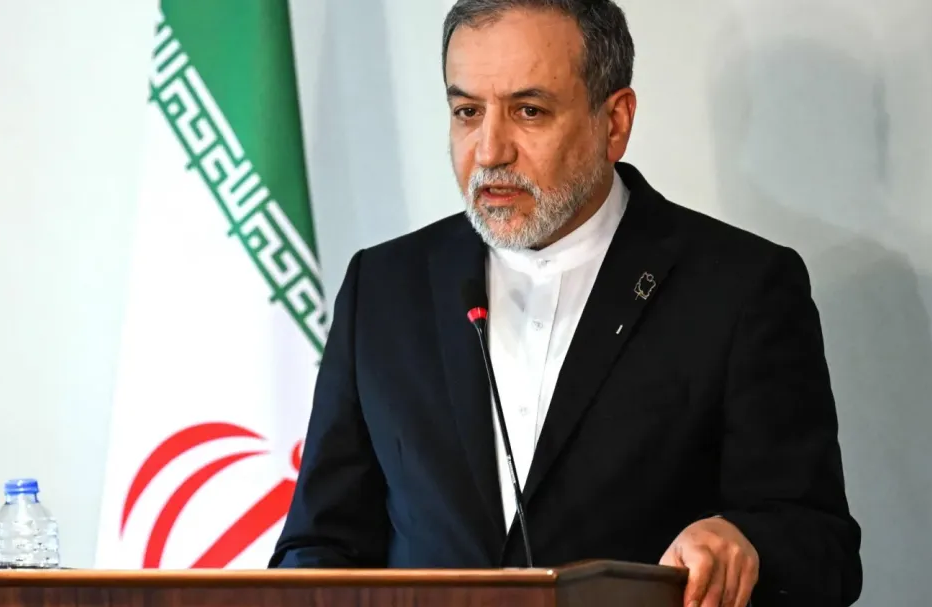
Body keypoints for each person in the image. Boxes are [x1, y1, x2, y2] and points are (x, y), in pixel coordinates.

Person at [268, 1, 862, 605]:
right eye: (468, 112)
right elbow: (320, 543)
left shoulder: (739, 287)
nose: (490, 151)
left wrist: (743, 540)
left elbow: (821, 547)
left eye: (529, 111)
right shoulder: (384, 287)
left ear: (615, 122)